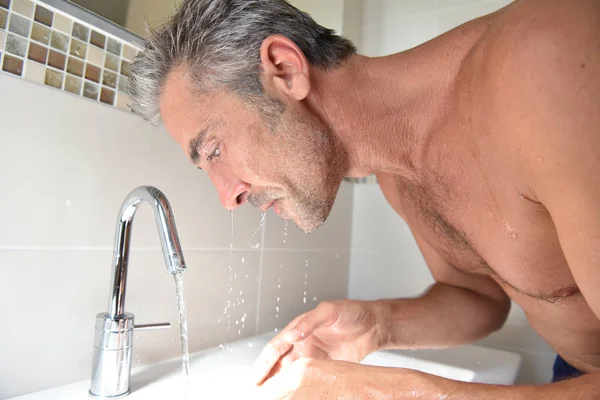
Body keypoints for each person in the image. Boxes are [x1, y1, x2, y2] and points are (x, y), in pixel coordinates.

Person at [128, 0, 600, 397]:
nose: (227, 197)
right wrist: (378, 326)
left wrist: (409, 391)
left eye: (214, 150)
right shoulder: (399, 175)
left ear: (286, 70)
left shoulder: (541, 64)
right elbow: (480, 298)